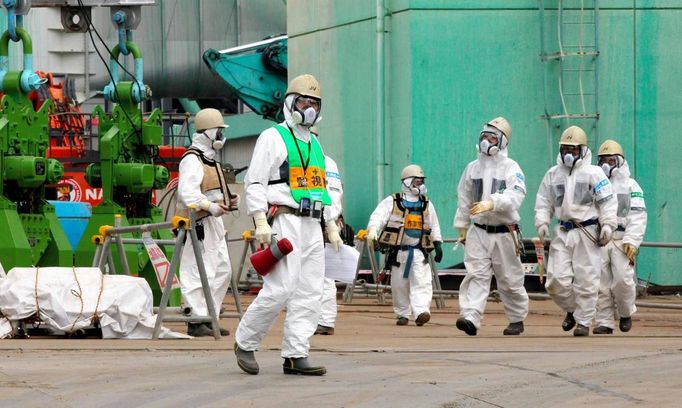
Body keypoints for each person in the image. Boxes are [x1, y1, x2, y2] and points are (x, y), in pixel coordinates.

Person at [234, 74, 343, 376]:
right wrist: (259, 219)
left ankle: (296, 354)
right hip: (285, 220)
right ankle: (245, 342)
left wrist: (331, 224)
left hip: (313, 224)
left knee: (310, 291)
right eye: (304, 101)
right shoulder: (273, 137)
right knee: (280, 288)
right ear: (290, 103)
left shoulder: (316, 145)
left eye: (314, 103)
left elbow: (322, 189)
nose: (309, 107)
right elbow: (254, 180)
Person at [535, 125, 618, 336]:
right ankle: (572, 309)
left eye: (573, 150)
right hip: (563, 231)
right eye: (564, 149)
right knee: (555, 280)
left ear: (582, 150)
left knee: (587, 279)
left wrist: (607, 226)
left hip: (587, 231)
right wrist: (542, 221)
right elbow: (543, 200)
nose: (568, 154)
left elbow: (608, 202)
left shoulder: (594, 173)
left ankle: (583, 321)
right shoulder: (553, 174)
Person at [453, 117, 529, 336]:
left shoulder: (511, 168)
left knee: (509, 279)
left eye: (492, 137)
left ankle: (516, 318)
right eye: (484, 137)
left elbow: (516, 194)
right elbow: (464, 196)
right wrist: (461, 224)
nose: (486, 141)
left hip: (504, 231)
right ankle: (471, 316)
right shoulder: (472, 168)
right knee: (476, 274)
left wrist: (493, 202)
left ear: (502, 142)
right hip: (479, 230)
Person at [176, 108, 238, 337]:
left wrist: (229, 200)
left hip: (213, 223)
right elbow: (187, 194)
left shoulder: (209, 160)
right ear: (207, 133)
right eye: (218, 132)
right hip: (197, 225)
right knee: (197, 270)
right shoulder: (192, 159)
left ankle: (209, 314)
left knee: (222, 269)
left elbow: (212, 192)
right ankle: (196, 319)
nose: (221, 136)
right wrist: (210, 207)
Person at [366, 164, 443, 327]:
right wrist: (373, 230)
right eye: (416, 181)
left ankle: (422, 311)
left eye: (421, 181)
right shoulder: (393, 201)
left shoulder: (427, 204)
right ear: (407, 182)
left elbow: (434, 225)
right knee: (399, 285)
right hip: (398, 252)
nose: (420, 185)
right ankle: (402, 313)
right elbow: (378, 216)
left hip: (419, 252)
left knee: (422, 282)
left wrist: (437, 244)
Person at [593, 140, 647, 334]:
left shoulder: (631, 186)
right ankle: (604, 322)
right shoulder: (595, 183)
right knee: (601, 284)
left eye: (610, 160)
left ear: (620, 161)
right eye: (603, 160)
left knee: (623, 281)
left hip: (621, 241)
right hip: (599, 240)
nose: (606, 165)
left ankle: (625, 312)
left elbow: (638, 216)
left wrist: (632, 241)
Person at [316, 148, 346, 336]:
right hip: (324, 222)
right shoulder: (329, 162)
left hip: (319, 222)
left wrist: (330, 224)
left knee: (322, 275)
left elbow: (332, 196)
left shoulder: (324, 162)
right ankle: (322, 319)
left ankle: (324, 320)